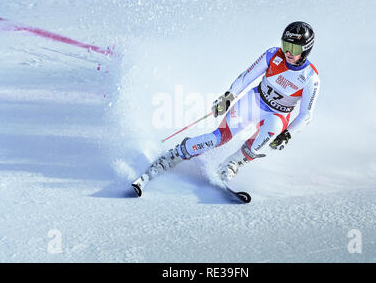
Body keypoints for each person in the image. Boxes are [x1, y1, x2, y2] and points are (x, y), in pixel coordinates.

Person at [132, 21, 320, 195]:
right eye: (285, 45)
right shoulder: (273, 54)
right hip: (255, 100)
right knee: (218, 138)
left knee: (271, 131)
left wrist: (288, 135)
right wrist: (228, 97)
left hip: (278, 115)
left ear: (305, 50)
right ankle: (174, 155)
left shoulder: (310, 77)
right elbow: (247, 76)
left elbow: (306, 115)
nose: (287, 52)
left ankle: (230, 165)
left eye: (293, 48)